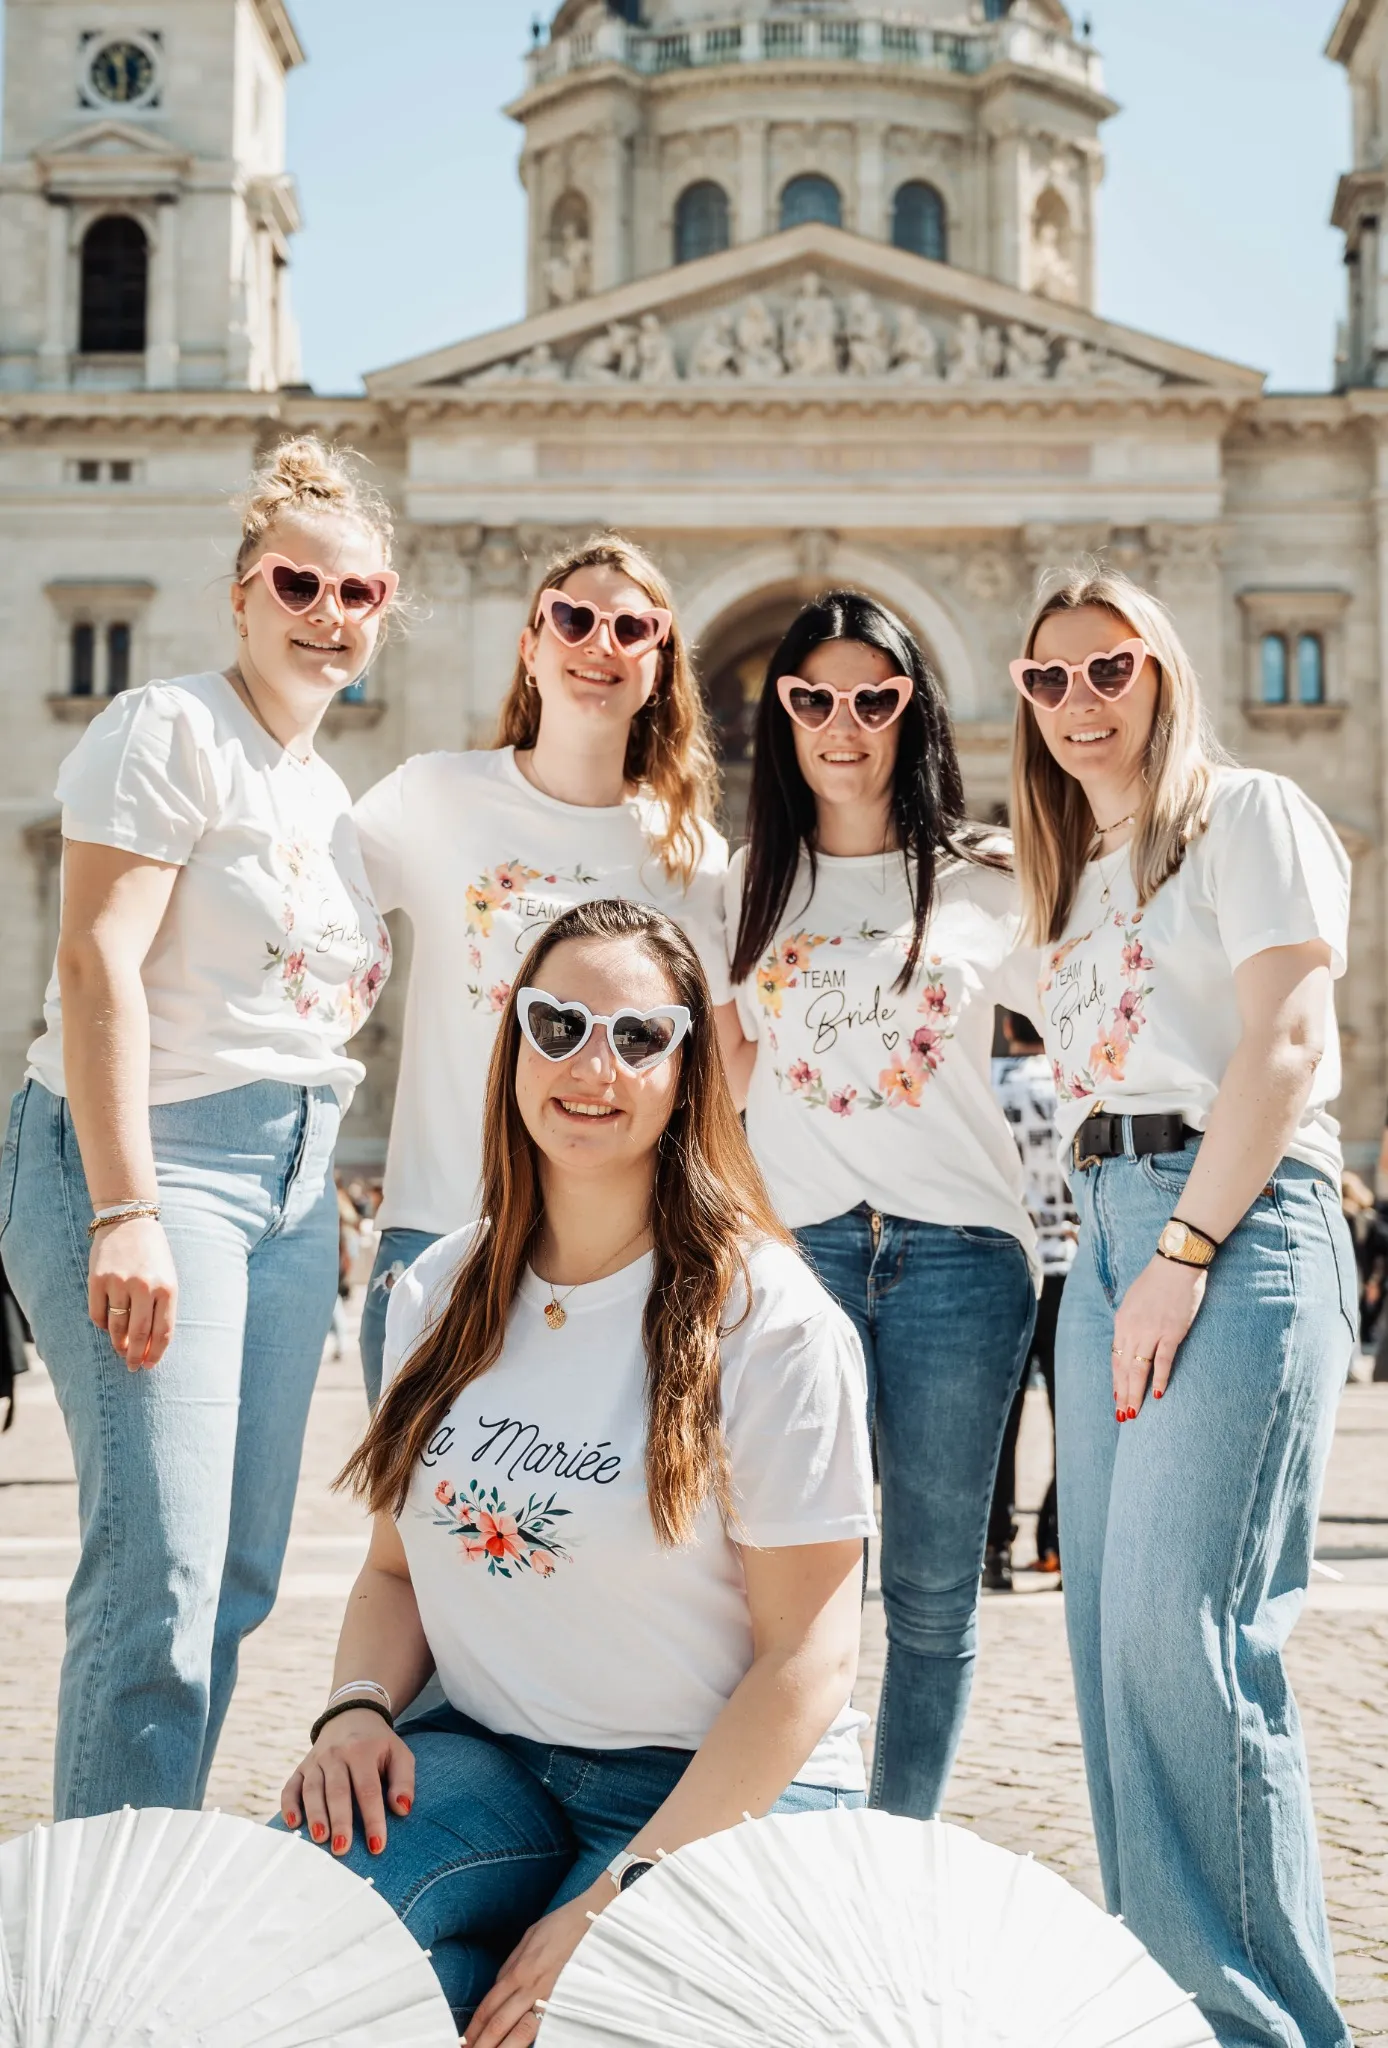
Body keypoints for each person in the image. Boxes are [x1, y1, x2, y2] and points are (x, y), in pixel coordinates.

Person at [276, 899, 873, 2042]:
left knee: (574, 2022)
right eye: (558, 1025)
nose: (591, 1064)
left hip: (718, 1786)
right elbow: (396, 1573)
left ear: (687, 1067)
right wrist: (352, 1711)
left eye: (638, 1037)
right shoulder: (437, 1292)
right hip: (494, 1755)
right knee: (296, 1951)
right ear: (513, 1042)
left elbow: (809, 1656)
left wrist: (617, 1899)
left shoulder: (768, 1320)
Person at [0, 437, 394, 1818]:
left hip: (287, 1189)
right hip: (155, 1159)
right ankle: (97, 1972)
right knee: (156, 1582)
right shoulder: (166, 727)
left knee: (232, 1578)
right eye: (300, 582)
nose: (329, 615)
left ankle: (148, 1871)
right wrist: (127, 1208)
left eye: (361, 594)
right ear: (241, 591)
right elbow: (96, 962)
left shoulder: (323, 792)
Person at [1011, 565, 1354, 2048]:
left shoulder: (1252, 814)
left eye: (1110, 669)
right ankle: (1173, 2004)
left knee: (1189, 1642)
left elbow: (1281, 1042)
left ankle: (1262, 2030)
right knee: (1111, 1651)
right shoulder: (1073, 874)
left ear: (1167, 673)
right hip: (1102, 1230)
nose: (1081, 701)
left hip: (1232, 1223)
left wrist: (1187, 1248)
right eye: (1049, 680)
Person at [720, 591, 1041, 1822]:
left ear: (914, 709)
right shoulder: (750, 884)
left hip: (962, 1254)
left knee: (928, 1587)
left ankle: (894, 1841)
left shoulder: (987, 878)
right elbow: (719, 1082)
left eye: (873, 696)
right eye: (812, 698)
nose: (842, 723)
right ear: (782, 714)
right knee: (793, 1577)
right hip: (800, 1254)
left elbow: (1106, 1003)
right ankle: (800, 1819)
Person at [352, 535, 732, 1407]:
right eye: (574, 618)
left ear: (658, 665)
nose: (601, 642)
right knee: (412, 1540)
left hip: (622, 1267)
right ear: (531, 647)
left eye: (633, 627)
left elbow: (720, 1069)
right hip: (443, 1233)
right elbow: (297, 908)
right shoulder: (433, 796)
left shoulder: (692, 858)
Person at [984, 1009, 1078, 1589]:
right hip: (1071, 1265)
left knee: (1002, 1419)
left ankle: (994, 1549)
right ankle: (1059, 1541)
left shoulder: (989, 1083)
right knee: (1074, 1418)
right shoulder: (1071, 1080)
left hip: (1008, 1262)